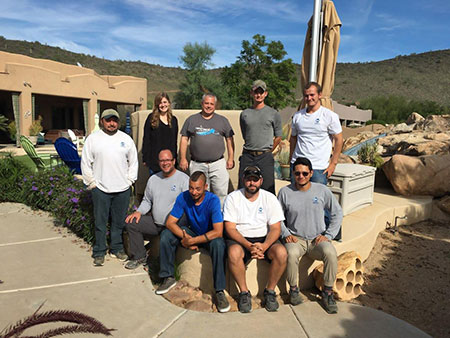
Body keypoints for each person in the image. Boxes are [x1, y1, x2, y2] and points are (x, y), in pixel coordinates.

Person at [157, 171, 230, 313]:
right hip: (193, 232)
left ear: (205, 187)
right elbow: (170, 223)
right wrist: (185, 239)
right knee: (166, 235)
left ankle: (219, 291)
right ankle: (167, 277)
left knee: (219, 244)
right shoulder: (183, 197)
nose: (194, 192)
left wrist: (192, 241)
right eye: (191, 188)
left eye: (198, 188)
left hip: (209, 235)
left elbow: (218, 231)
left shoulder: (213, 200)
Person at [278, 157, 343, 314]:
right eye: (297, 173)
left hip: (316, 239)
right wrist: (286, 233)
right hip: (296, 238)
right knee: (291, 253)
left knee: (330, 252)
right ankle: (293, 290)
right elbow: (276, 217)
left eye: (305, 173)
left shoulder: (321, 190)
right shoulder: (285, 192)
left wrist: (329, 234)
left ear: (311, 173)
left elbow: (337, 212)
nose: (301, 176)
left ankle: (327, 293)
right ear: (293, 174)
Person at [224, 166, 287, 313]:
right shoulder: (233, 198)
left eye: (255, 180)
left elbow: (276, 228)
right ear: (243, 180)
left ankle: (270, 291)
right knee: (233, 253)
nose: (252, 183)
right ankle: (244, 293)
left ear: (261, 181)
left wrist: (264, 246)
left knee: (281, 253)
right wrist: (248, 245)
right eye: (248, 179)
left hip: (264, 238)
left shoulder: (269, 198)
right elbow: (230, 228)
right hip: (241, 238)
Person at [81, 108, 138, 267]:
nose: (111, 123)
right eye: (108, 120)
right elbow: (85, 163)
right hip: (101, 189)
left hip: (122, 189)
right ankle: (99, 251)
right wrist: (92, 183)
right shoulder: (93, 139)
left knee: (118, 222)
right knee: (100, 222)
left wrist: (129, 181)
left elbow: (133, 162)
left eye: (114, 120)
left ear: (118, 122)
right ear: (102, 121)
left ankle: (117, 248)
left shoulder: (126, 139)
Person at [124, 149, 189, 269]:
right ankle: (139, 257)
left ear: (174, 161)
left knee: (166, 236)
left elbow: (188, 205)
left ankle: (165, 272)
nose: (165, 163)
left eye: (168, 160)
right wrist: (139, 212)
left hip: (174, 225)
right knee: (131, 223)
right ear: (159, 162)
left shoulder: (184, 180)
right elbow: (147, 201)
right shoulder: (153, 179)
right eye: (162, 160)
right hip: (155, 223)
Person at [179, 93, 234, 206]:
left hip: (218, 164)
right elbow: (184, 139)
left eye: (211, 104)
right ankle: (202, 220)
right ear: (202, 104)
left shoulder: (222, 120)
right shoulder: (192, 120)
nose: (209, 106)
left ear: (215, 105)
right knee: (198, 194)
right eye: (206, 103)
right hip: (197, 164)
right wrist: (183, 158)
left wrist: (231, 159)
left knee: (221, 194)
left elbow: (229, 140)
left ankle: (220, 220)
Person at [289, 81, 343, 185]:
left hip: (319, 167)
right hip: (298, 166)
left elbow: (339, 139)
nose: (309, 98)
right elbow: (293, 138)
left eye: (312, 95)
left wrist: (333, 164)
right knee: (296, 198)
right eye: (306, 95)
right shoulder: (297, 116)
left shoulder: (329, 116)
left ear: (320, 95)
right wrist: (291, 159)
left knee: (316, 200)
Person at [238, 80, 282, 194]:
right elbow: (245, 134)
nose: (258, 95)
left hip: (265, 157)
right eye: (256, 92)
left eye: (261, 92)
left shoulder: (273, 113)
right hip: (247, 155)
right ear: (251, 93)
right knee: (244, 187)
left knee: (268, 188)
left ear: (265, 94)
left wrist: (268, 151)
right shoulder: (245, 114)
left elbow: (278, 136)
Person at [142, 92, 178, 176]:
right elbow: (146, 139)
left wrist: (175, 159)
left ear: (169, 103)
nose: (163, 105)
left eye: (165, 102)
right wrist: (145, 158)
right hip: (155, 160)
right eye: (160, 103)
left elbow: (174, 142)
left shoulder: (173, 120)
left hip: (169, 161)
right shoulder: (151, 118)